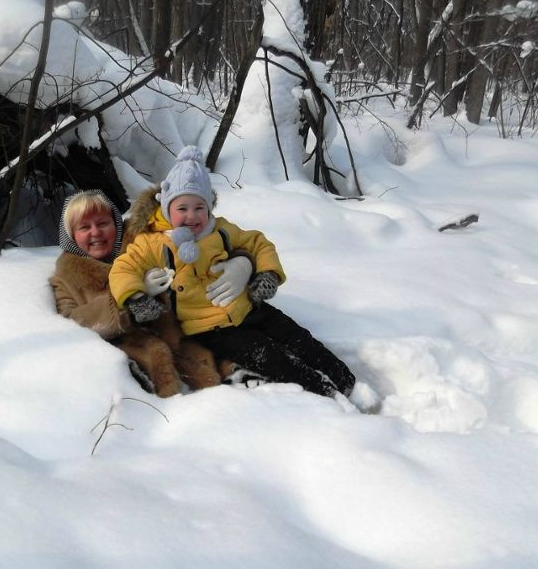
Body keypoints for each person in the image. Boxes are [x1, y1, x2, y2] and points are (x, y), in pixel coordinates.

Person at [109, 147, 381, 412]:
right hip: (212, 329)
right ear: (168, 209)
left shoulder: (222, 230)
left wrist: (267, 273)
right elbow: (122, 268)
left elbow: (258, 243)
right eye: (182, 208)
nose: (191, 216)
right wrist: (136, 296)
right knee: (270, 357)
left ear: (209, 207)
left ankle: (349, 384)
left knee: (299, 338)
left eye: (199, 207)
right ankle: (326, 395)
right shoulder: (152, 243)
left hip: (251, 308)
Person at [49, 189, 223, 398]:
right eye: (85, 227)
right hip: (132, 350)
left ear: (115, 224)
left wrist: (178, 192)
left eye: (103, 223)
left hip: (183, 334)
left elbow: (173, 213)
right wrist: (129, 298)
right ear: (71, 236)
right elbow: (73, 322)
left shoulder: (140, 242)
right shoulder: (66, 276)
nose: (96, 232)